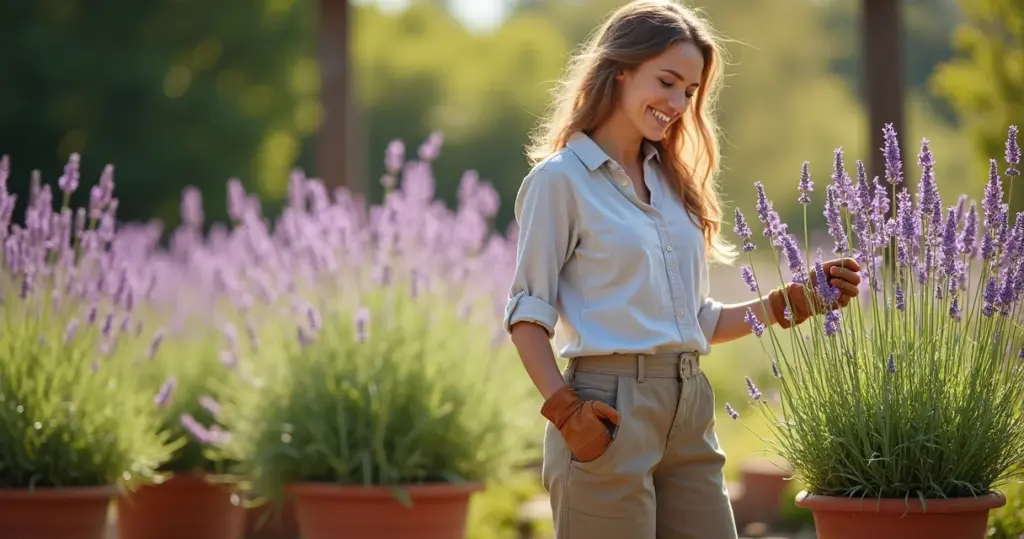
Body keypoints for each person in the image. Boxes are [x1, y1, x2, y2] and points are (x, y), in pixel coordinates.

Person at [501, 1, 862, 538]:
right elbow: (527, 316)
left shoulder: (672, 183)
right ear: (619, 68)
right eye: (666, 82)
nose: (676, 103)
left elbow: (691, 320)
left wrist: (787, 304)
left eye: (689, 92)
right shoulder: (561, 181)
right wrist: (568, 414)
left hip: (690, 409)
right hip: (607, 411)